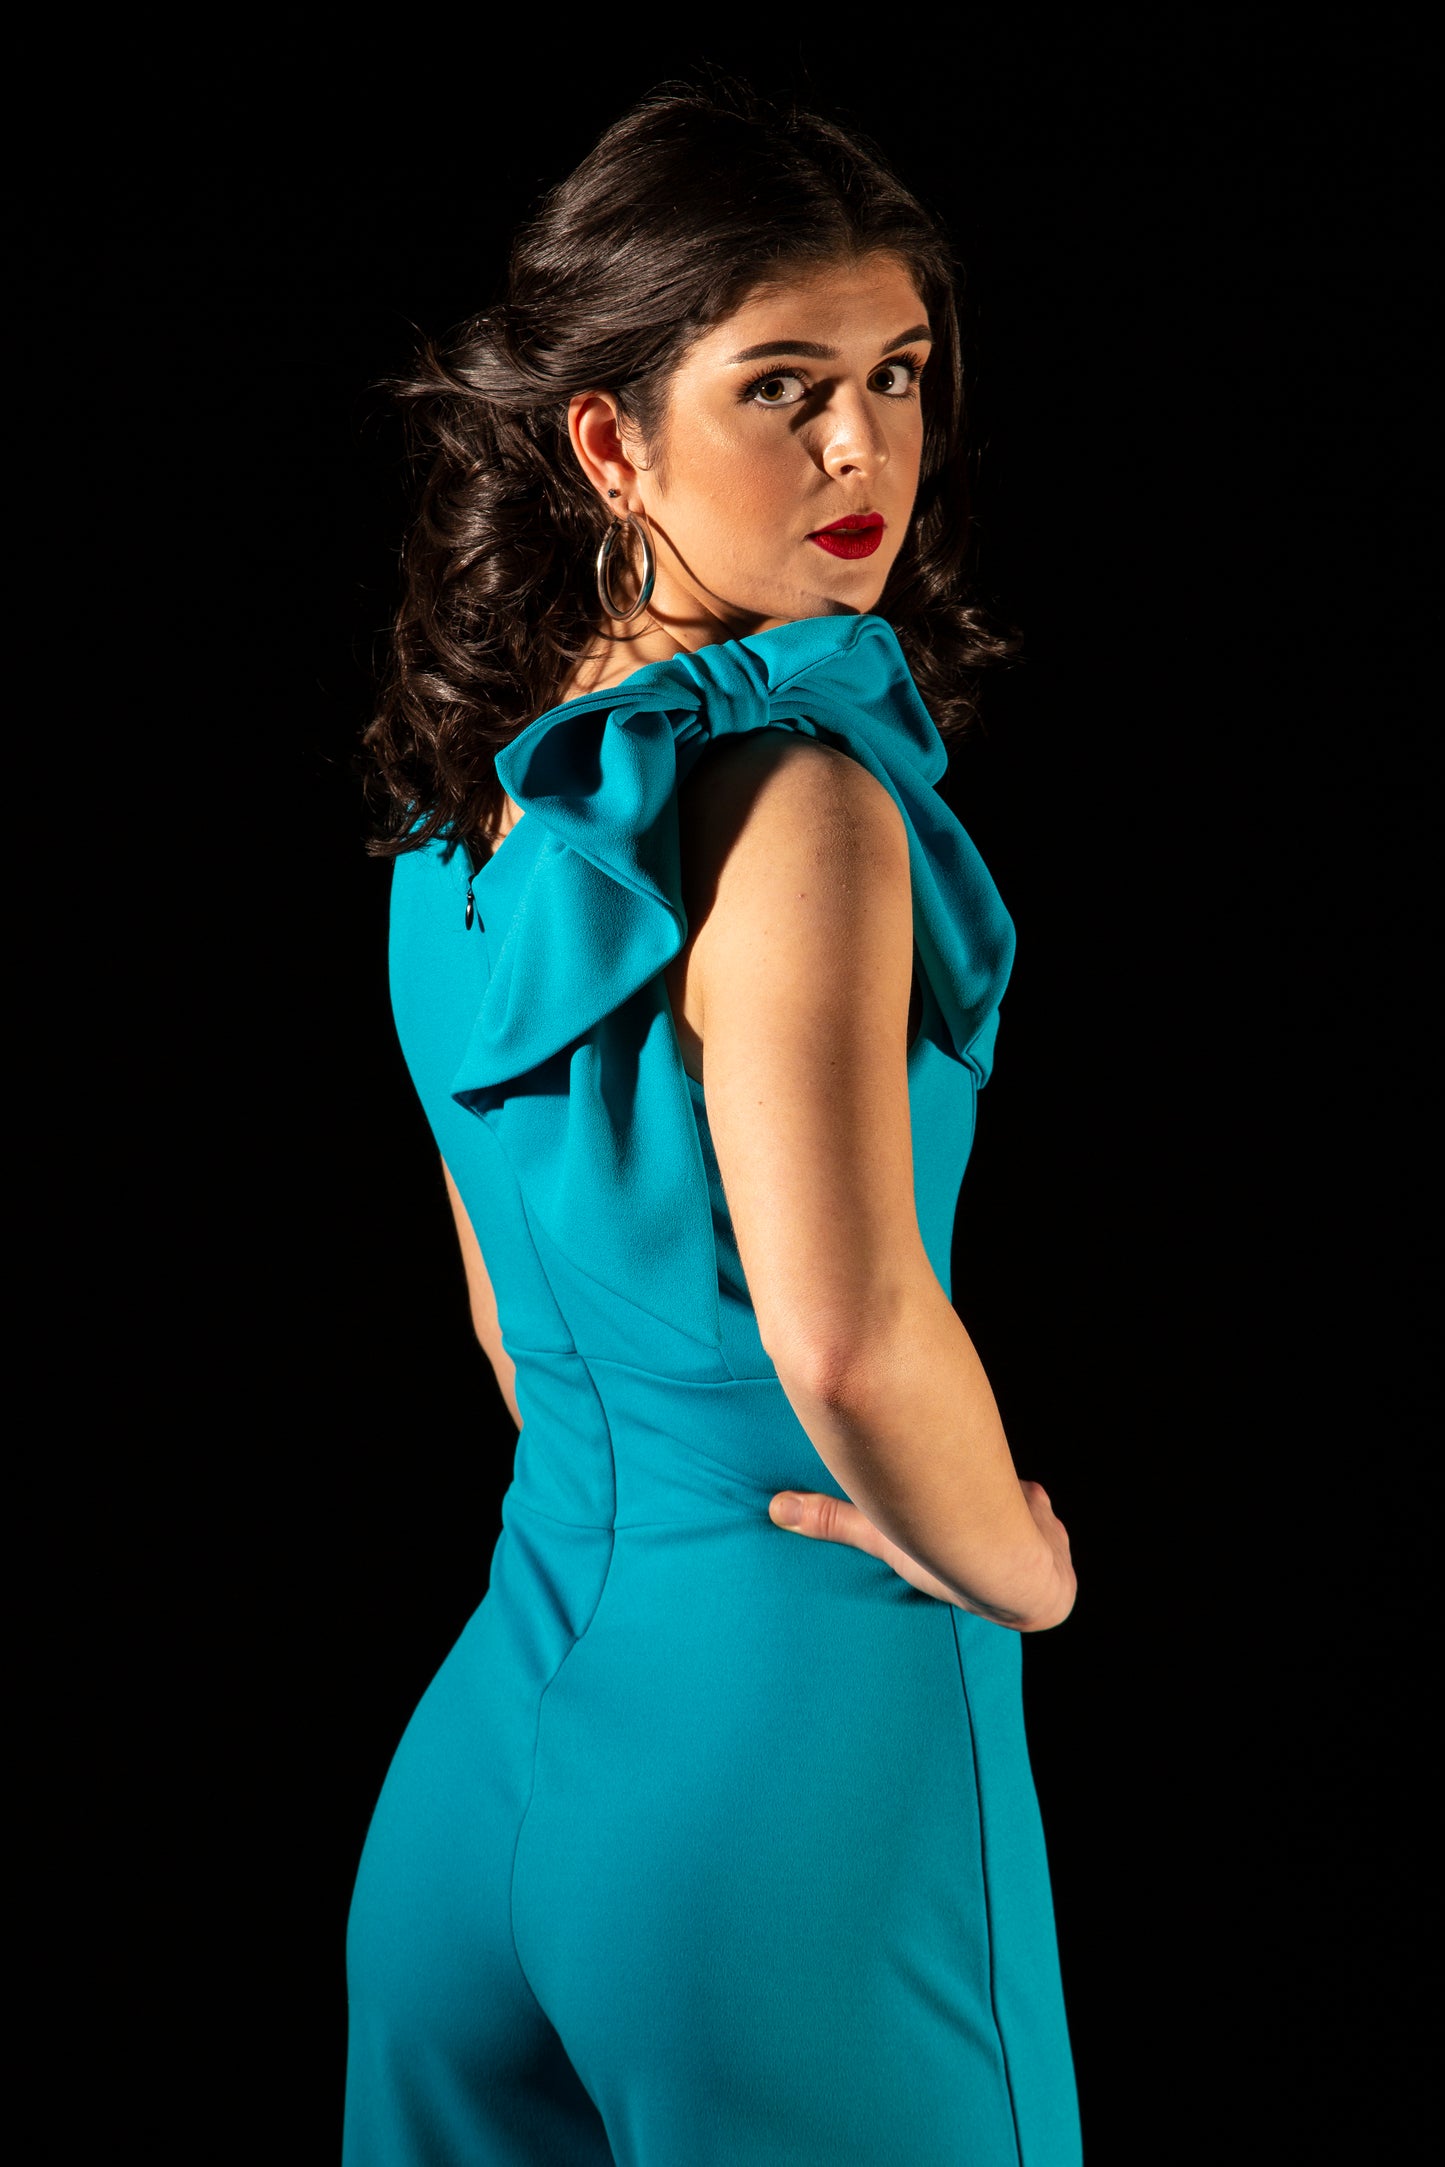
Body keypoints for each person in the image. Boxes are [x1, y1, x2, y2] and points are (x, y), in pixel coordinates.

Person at [346, 75, 1082, 2167]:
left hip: (492, 1762)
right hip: (782, 1765)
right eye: (785, 390)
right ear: (610, 437)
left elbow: (509, 1333)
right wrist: (1012, 1574)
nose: (866, 453)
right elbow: (844, 1339)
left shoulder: (461, 819)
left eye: (897, 377)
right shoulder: (805, 811)